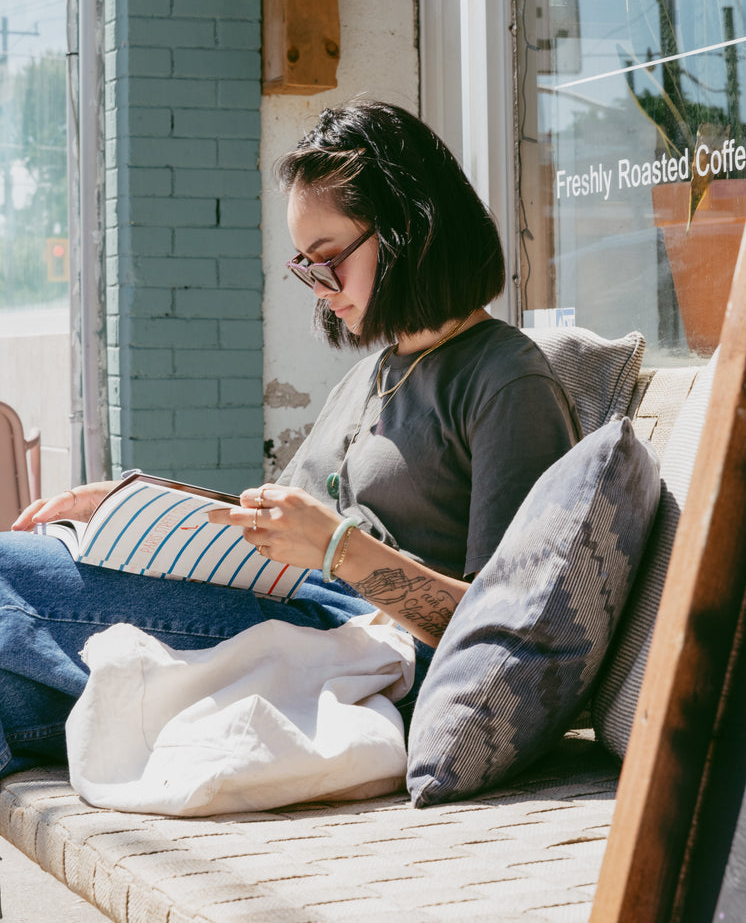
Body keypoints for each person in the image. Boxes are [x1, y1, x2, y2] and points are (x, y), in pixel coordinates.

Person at [3, 100, 580, 778]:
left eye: (330, 259)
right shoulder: (374, 375)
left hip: (367, 645)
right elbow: (284, 535)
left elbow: (503, 629)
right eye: (306, 266)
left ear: (405, 230)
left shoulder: (506, 380)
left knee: (9, 567)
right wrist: (149, 506)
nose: (320, 287)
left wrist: (339, 547)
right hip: (298, 607)